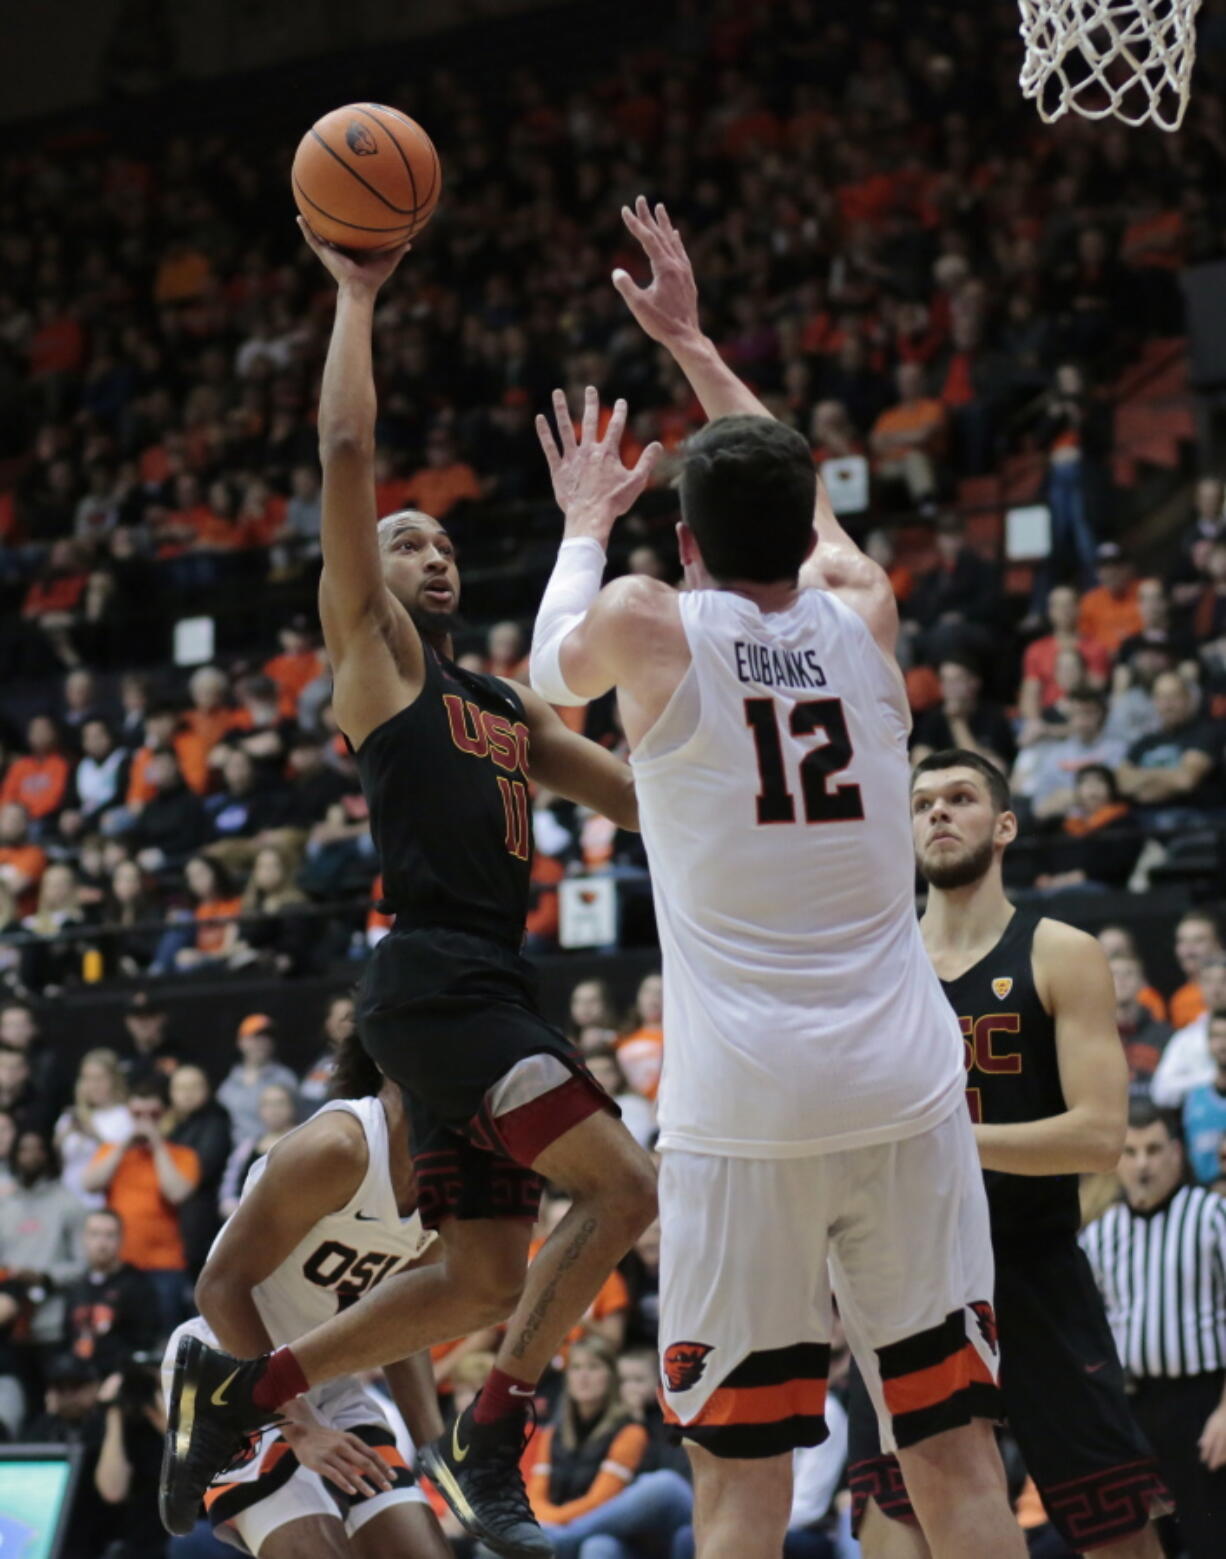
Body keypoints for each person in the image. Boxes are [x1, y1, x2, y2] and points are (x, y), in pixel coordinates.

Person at [526, 197, 1022, 1559]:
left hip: (743, 1107)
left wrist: (581, 519)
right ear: (798, 523)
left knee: (737, 1481)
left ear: (680, 541)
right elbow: (807, 508)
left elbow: (535, 674)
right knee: (952, 1457)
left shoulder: (644, 619)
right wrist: (694, 343)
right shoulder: (866, 614)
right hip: (901, 1086)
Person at [160, 218, 657, 1557]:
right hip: (433, 977)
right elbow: (341, 454)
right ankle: (493, 1423)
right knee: (626, 1186)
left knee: (486, 1272)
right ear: (366, 576)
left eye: (444, 543)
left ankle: (246, 1386)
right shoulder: (374, 659)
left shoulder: (498, 701)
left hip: (484, 980)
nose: (431, 552)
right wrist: (354, 294)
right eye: (406, 541)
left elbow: (638, 794)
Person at [848, 750, 1165, 1559]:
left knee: (1116, 1526)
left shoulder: (1061, 950)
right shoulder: (876, 966)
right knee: (894, 1519)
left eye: (960, 798)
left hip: (1031, 1263)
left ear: (1006, 826)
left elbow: (1099, 1136)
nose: (939, 814)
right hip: (904, 1273)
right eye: (922, 804)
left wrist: (946, 1140)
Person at [161, 1027, 450, 1558]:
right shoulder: (338, 1146)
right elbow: (218, 1289)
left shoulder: (449, 1179)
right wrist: (301, 1427)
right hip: (237, 1373)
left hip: (328, 1382)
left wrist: (440, 1454)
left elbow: (404, 1322)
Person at [1081, 1104, 1226, 1558]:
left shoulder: (1212, 1215)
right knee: (1144, 1545)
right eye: (1130, 1151)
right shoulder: (1099, 1235)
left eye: (1153, 1150)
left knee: (1210, 1542)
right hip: (1130, 1412)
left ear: (1176, 1153)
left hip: (1203, 1408)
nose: (1142, 1163)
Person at [523, 1335, 692, 1559]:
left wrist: (552, 1531)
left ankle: (554, 1541)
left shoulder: (631, 1430)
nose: (583, 1376)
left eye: (593, 1367)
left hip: (622, 1529)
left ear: (611, 1377)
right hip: (568, 1527)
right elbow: (535, 1494)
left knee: (663, 1485)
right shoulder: (553, 1433)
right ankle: (548, 1540)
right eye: (576, 1368)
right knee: (599, 1546)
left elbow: (602, 1499)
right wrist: (547, 1523)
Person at [81, 1077, 200, 1334]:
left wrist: (157, 1143)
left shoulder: (182, 1154)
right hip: (119, 1266)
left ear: (165, 1115)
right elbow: (90, 1183)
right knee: (116, 1337)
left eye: (153, 1114)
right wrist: (125, 1143)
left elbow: (177, 1192)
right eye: (137, 1114)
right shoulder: (113, 1150)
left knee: (165, 1340)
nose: (144, 1121)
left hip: (165, 1266)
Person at [62, 1207, 159, 1375]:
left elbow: (145, 1342)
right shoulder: (76, 1286)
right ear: (84, 1239)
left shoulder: (137, 1285)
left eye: (109, 1235)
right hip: (79, 1379)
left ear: (121, 1239)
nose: (102, 1243)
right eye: (95, 1234)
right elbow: (68, 1337)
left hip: (120, 1377)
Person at [166, 1064, 233, 1275]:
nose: (187, 1094)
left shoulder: (217, 1121)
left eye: (194, 1087)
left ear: (207, 1089)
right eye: (181, 1088)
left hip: (202, 1218)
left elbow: (200, 1171)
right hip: (172, 1218)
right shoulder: (170, 1124)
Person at [54, 1047, 132, 1207]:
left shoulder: (126, 1116)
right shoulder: (70, 1117)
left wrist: (93, 1135)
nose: (93, 1085)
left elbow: (125, 1159)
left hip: (104, 1201)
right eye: (87, 1078)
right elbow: (59, 1161)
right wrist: (61, 1138)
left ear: (114, 1080)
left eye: (100, 1078)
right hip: (68, 1199)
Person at [1152, 956, 1226, 1107]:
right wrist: (1212, 1078)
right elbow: (1161, 1092)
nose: (1216, 989)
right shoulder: (1186, 1038)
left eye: (1223, 981)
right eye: (1208, 981)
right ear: (1199, 986)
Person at [218, 1082, 298, 1218]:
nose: (274, 1110)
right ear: (260, 1110)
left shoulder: (303, 1142)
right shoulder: (247, 1147)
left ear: (292, 1107)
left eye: (280, 1103)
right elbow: (230, 1183)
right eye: (268, 1104)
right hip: (247, 1219)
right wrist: (231, 1206)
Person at [215, 1015, 299, 1145]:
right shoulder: (228, 1086)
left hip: (277, 1149)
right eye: (255, 1036)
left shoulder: (285, 1078)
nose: (262, 1042)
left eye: (267, 1036)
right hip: (239, 1156)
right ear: (241, 1042)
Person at [1182, 1012, 1226, 1184]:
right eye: (1217, 1036)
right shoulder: (1193, 1099)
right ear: (1207, 1042)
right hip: (1202, 1195)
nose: (1223, 1044)